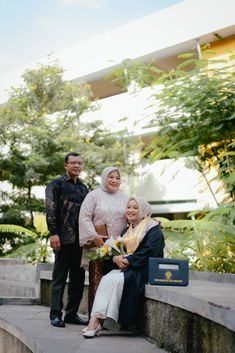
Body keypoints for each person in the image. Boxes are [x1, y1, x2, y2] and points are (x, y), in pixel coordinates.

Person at [82, 196, 165, 338]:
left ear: (143, 210)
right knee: (107, 279)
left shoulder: (153, 227)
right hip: (131, 267)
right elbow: (120, 252)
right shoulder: (127, 230)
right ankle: (95, 320)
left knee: (116, 280)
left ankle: (95, 322)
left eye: (135, 207)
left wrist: (129, 261)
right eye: (128, 207)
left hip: (145, 269)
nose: (130, 210)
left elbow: (152, 250)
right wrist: (116, 257)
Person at [45, 152, 89, 328]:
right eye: (73, 163)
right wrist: (53, 233)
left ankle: (71, 314)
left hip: (81, 241)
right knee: (59, 277)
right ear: (66, 165)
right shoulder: (56, 184)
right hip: (63, 239)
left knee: (78, 279)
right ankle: (55, 314)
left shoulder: (84, 188)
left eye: (79, 163)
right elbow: (50, 209)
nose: (77, 166)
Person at [79, 166, 129, 314]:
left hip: (118, 248)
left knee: (114, 283)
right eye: (111, 177)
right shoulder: (93, 196)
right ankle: (94, 319)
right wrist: (94, 236)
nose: (114, 180)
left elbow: (133, 215)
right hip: (98, 247)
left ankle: (111, 319)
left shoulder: (125, 197)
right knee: (97, 282)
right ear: (104, 178)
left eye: (117, 178)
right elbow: (84, 217)